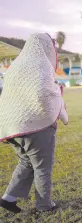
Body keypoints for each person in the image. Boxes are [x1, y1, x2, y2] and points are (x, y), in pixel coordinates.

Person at [0, 33, 68, 213]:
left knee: (26, 162)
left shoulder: (15, 65)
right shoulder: (41, 65)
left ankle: (8, 198)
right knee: (42, 167)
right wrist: (59, 102)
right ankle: (44, 205)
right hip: (35, 126)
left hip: (11, 127)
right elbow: (44, 94)